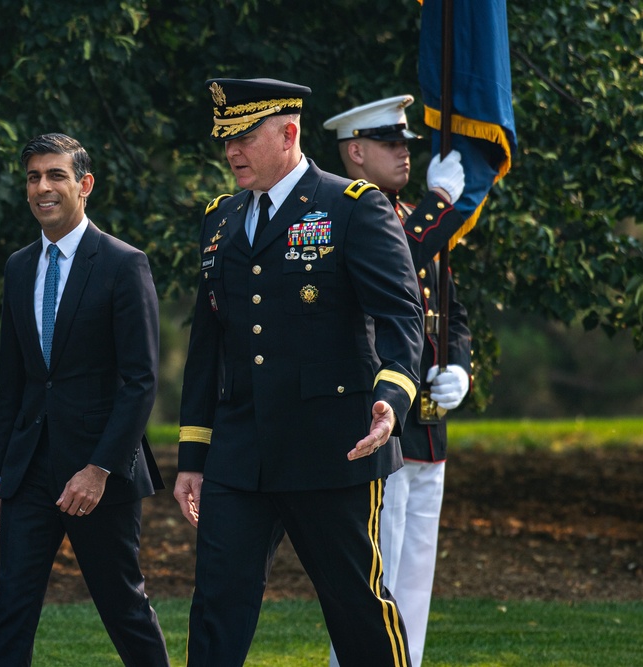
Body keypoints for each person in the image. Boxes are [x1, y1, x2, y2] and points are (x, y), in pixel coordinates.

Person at [174, 77, 424, 667]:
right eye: (226, 139)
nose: (232, 151)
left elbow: (401, 317)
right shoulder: (220, 219)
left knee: (355, 606)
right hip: (240, 453)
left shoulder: (353, 207)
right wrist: (192, 456)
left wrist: (392, 397)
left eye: (244, 137)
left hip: (333, 446)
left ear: (289, 133)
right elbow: (207, 344)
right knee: (216, 604)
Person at [0, 133, 169, 667]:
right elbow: (12, 384)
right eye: (33, 177)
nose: (42, 187)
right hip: (29, 474)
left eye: (55, 175)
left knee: (123, 606)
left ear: (84, 185)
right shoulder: (19, 267)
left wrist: (99, 469)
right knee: (11, 612)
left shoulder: (122, 264)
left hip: (98, 474)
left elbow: (140, 381)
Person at [323, 95, 472, 667]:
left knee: (415, 576)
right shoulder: (345, 214)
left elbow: (448, 309)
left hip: (426, 428)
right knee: (372, 573)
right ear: (356, 152)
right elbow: (401, 259)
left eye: (406, 145)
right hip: (379, 421)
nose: (404, 155)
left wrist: (458, 362)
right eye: (390, 145)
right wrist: (440, 206)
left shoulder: (414, 217)